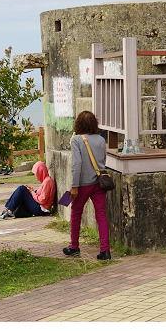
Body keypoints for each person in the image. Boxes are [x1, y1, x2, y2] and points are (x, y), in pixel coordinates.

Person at [63, 111, 111, 260]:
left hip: (83, 184)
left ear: (78, 124)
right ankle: (105, 251)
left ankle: (74, 247)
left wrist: (74, 185)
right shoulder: (101, 140)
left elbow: (76, 165)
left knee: (76, 214)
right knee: (101, 215)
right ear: (94, 124)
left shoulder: (76, 140)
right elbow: (102, 160)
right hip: (99, 183)